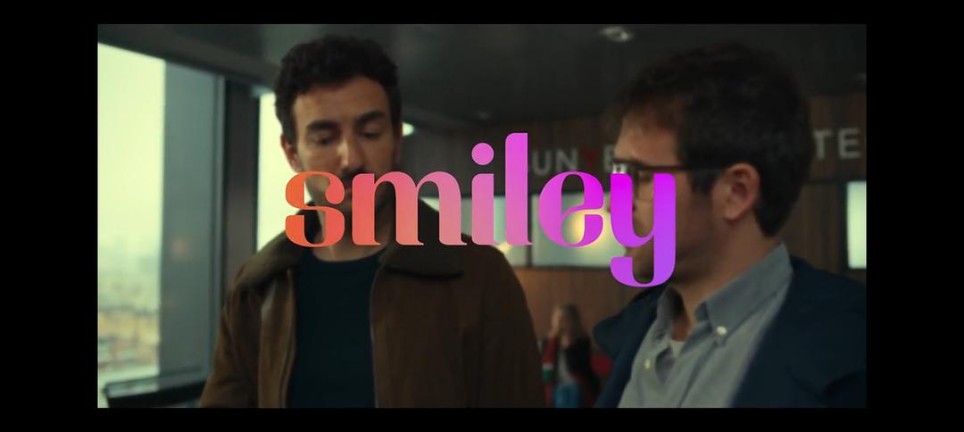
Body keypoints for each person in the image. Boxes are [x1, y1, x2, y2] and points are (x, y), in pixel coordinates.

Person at [200, 35, 543, 408]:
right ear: (292, 153)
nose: (351, 159)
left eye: (370, 133)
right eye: (324, 139)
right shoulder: (258, 288)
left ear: (396, 139)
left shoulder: (479, 277)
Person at [594, 43, 866, 408]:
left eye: (639, 176)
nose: (612, 204)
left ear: (736, 192)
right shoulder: (630, 334)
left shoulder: (849, 354)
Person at [540, 304, 600, 408]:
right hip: (556, 384)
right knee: (561, 393)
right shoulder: (548, 343)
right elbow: (545, 370)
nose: (562, 323)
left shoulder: (582, 342)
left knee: (573, 389)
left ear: (573, 321)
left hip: (579, 384)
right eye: (559, 319)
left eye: (565, 319)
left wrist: (569, 347)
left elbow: (578, 368)